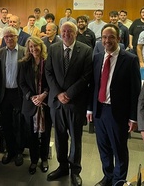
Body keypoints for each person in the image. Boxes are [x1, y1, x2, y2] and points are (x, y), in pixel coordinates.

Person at [87, 23, 141, 186]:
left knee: (119, 149)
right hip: (99, 110)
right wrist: (90, 108)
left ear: (118, 38)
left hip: (118, 113)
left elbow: (135, 91)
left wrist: (133, 117)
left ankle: (119, 180)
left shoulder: (130, 60)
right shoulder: (97, 57)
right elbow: (93, 85)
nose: (107, 40)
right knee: (103, 148)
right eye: (104, 37)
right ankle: (108, 176)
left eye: (111, 37)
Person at [45, 21, 93, 186]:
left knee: (75, 138)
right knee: (59, 137)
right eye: (64, 31)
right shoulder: (53, 48)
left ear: (75, 33)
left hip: (75, 103)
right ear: (60, 32)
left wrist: (69, 94)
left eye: (69, 32)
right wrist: (58, 93)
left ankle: (75, 170)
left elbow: (86, 76)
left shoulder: (86, 50)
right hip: (57, 103)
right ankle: (62, 166)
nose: (66, 34)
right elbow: (48, 72)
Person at [19, 37, 51, 175]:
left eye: (36, 46)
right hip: (30, 104)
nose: (33, 49)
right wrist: (32, 97)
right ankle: (33, 160)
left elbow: (52, 82)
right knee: (31, 134)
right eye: (30, 47)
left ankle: (44, 159)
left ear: (41, 46)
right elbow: (21, 83)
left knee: (45, 133)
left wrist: (44, 94)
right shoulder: (24, 63)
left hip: (46, 103)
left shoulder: (49, 62)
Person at [0, 26, 26, 167]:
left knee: (19, 124)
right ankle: (10, 150)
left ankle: (19, 151)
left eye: (11, 36)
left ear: (17, 37)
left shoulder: (25, 52)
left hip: (19, 93)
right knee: (6, 123)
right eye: (6, 37)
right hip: (5, 93)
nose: (9, 39)